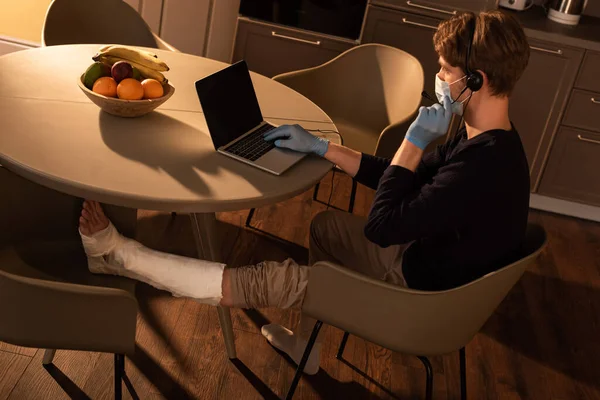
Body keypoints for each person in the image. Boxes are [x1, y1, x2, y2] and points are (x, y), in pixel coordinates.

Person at [79, 10, 531, 375]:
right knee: (327, 227)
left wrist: (412, 142)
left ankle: (118, 254)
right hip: (428, 262)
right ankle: (305, 347)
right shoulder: (489, 140)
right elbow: (406, 181)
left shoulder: (482, 166)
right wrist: (322, 148)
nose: (438, 76)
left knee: (267, 279)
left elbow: (381, 227)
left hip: (417, 298)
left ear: (476, 80)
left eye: (445, 70)